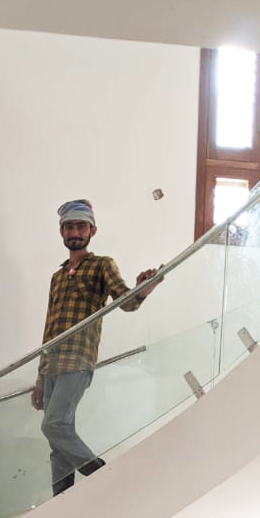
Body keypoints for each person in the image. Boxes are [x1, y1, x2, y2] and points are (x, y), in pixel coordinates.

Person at [30, 199, 162, 496]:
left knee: (54, 426)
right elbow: (48, 329)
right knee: (57, 444)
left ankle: (106, 480)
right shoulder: (57, 277)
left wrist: (143, 290)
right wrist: (39, 378)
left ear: (92, 230)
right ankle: (63, 502)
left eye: (81, 226)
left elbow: (125, 302)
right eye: (69, 227)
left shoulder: (102, 265)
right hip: (51, 367)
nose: (75, 232)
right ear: (62, 232)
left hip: (77, 362)